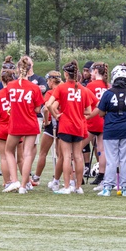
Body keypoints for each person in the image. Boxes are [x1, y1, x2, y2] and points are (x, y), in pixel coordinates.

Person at [90, 65, 126, 197]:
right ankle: (125, 188)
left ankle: (107, 187)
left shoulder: (108, 93)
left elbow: (100, 113)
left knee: (112, 159)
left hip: (111, 129)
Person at [47, 60, 93, 195]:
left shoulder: (61, 88)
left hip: (66, 125)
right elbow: (89, 111)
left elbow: (49, 105)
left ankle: (67, 186)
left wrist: (57, 115)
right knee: (78, 156)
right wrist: (77, 111)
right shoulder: (83, 89)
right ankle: (78, 187)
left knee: (66, 157)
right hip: (79, 126)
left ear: (66, 74)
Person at [2, 56, 44, 194]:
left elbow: (10, 102)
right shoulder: (34, 87)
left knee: (8, 151)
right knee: (27, 154)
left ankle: (14, 180)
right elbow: (38, 109)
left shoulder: (10, 86)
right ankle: (23, 186)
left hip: (16, 123)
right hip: (31, 122)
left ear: (18, 69)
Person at [35, 70, 63, 188]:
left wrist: (46, 122)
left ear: (51, 81)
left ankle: (36, 177)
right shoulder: (65, 90)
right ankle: (58, 179)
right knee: (61, 154)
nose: (47, 82)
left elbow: (46, 109)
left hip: (52, 123)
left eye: (48, 80)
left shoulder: (51, 92)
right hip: (63, 122)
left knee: (43, 153)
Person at [0, 67, 15, 189]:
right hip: (14, 127)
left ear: (2, 80)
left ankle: (7, 182)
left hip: (1, 127)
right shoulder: (17, 93)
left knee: (4, 157)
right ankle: (18, 180)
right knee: (15, 156)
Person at [85, 62, 109, 185]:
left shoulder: (90, 86)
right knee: (102, 150)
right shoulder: (107, 86)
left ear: (95, 71)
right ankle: (102, 175)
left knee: (76, 148)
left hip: (93, 120)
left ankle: (75, 176)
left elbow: (87, 104)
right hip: (104, 121)